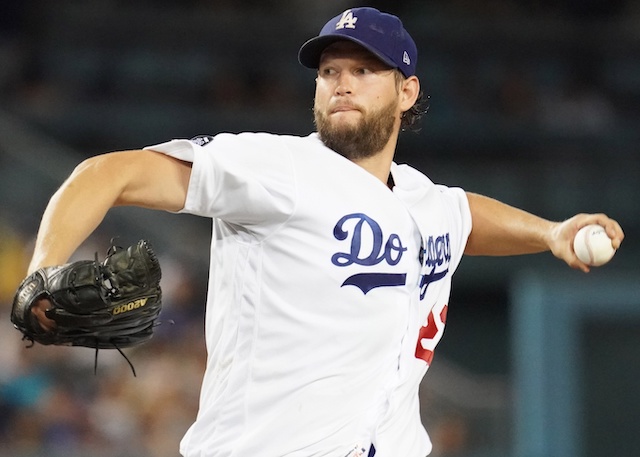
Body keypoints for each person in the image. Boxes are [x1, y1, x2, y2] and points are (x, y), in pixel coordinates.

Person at [25, 7, 623, 457]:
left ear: (406, 90)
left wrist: (549, 233)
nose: (342, 82)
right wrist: (42, 272)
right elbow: (107, 173)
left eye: (364, 70)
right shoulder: (277, 168)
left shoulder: (421, 198)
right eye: (330, 71)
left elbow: (462, 218)